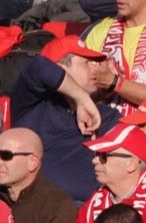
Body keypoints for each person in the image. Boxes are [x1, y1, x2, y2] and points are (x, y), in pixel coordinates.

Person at [7, 37, 120, 203]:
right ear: (60, 68)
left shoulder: (106, 116)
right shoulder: (33, 105)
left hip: (90, 211)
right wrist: (82, 99)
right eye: (85, 63)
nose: (93, 70)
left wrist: (117, 86)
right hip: (35, 208)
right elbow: (39, 67)